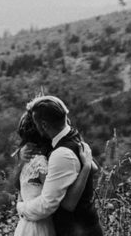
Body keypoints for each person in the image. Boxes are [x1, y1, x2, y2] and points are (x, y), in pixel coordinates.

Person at [15, 95, 104, 236]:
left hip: (77, 230)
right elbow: (94, 167)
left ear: (44, 125)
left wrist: (20, 207)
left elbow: (58, 205)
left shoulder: (61, 154)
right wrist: (22, 152)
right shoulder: (71, 136)